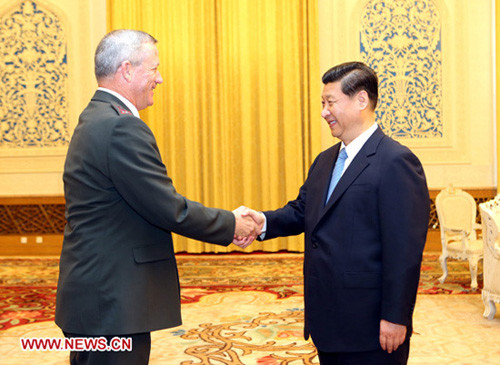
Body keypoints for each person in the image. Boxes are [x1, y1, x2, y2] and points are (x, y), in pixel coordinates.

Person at [55, 29, 260, 365]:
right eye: (154, 69)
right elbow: (168, 208)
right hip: (112, 303)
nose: (160, 78)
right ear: (126, 70)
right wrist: (231, 223)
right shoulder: (121, 127)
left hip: (96, 296)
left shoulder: (96, 117)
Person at [238, 62, 430, 364]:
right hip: (328, 321)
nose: (324, 112)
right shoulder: (325, 160)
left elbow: (404, 251)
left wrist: (396, 316)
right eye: (322, 103)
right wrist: (262, 222)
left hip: (370, 326)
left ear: (361, 101)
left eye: (330, 103)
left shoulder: (396, 161)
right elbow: (303, 211)